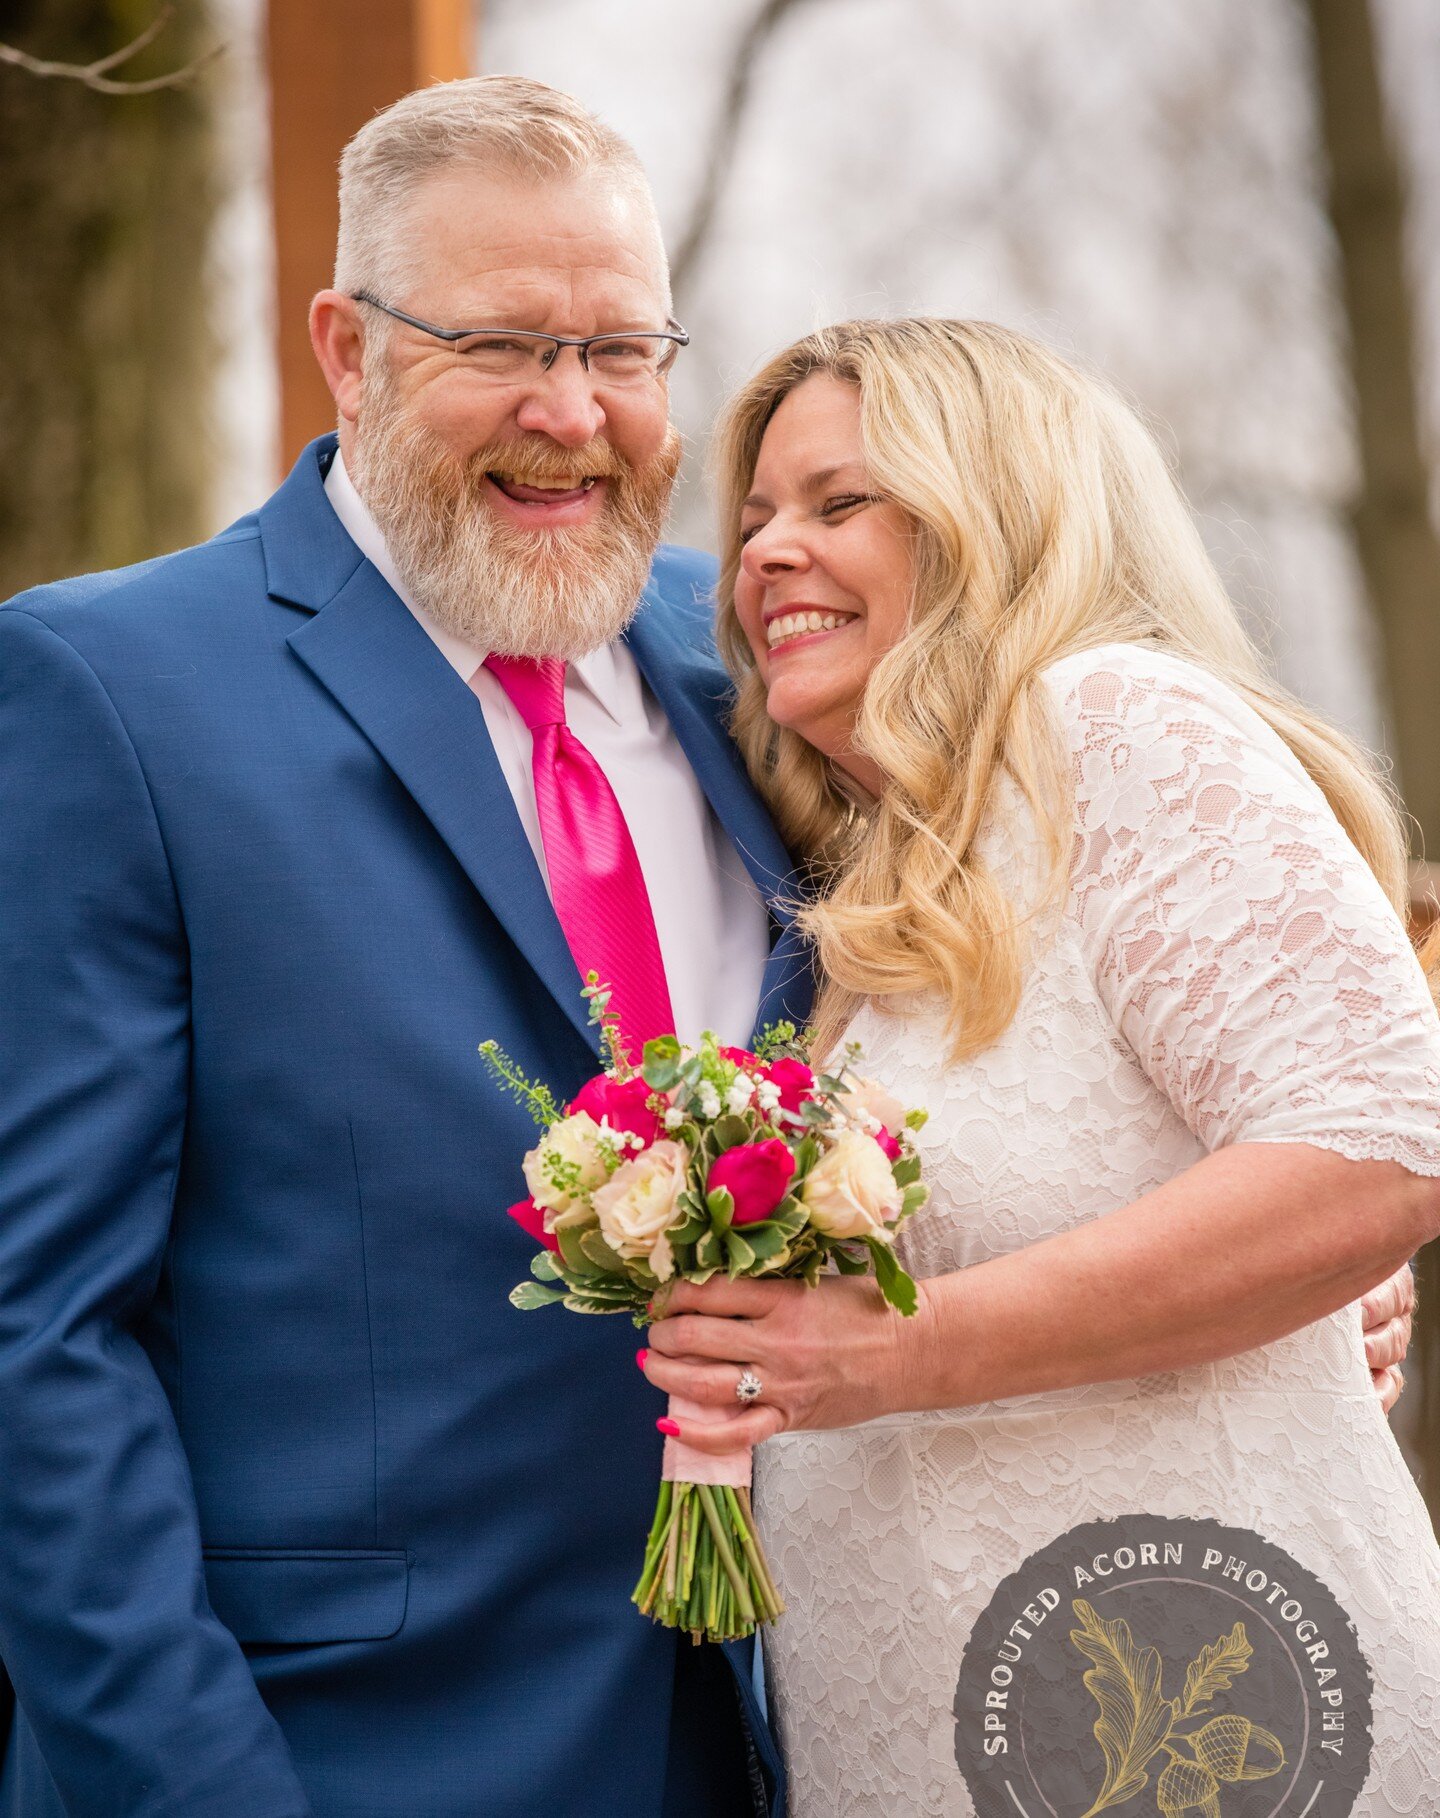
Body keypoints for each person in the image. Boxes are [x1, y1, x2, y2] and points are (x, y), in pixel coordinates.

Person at [0, 78, 810, 1818]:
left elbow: (980, 998)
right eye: (503, 344)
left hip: (787, 1733)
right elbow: (37, 1338)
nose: (571, 415)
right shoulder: (111, 696)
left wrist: (1268, 1272)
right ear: (347, 350)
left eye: (622, 351)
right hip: (346, 1752)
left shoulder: (766, 662)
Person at [640, 318, 1440, 1814]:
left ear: (989, 515)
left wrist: (895, 1351)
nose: (762, 557)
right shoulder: (893, 890)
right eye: (750, 519)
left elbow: (1383, 1136)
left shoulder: (1116, 728)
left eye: (837, 502)